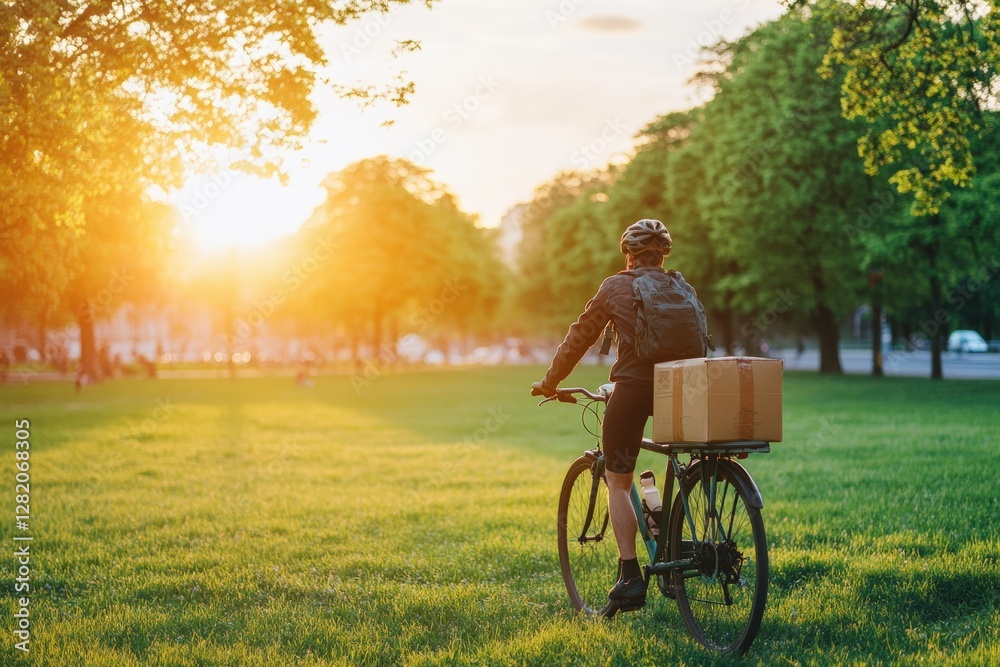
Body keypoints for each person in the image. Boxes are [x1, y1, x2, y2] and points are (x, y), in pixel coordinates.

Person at [531, 218, 686, 613]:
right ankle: (679, 541)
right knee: (682, 459)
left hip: (633, 388)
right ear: (663, 255)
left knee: (618, 481)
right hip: (686, 388)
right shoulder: (682, 286)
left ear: (629, 256)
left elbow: (579, 336)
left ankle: (631, 575)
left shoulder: (615, 285)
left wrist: (550, 382)